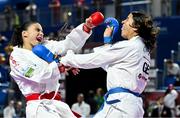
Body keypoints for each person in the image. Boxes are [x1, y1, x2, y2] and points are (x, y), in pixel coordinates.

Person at [60, 11, 160, 117]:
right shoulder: (142, 49)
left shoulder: (131, 46)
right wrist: (107, 42)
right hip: (129, 105)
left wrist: (67, 58)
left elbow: (95, 59)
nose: (123, 21)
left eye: (127, 19)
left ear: (135, 27)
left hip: (120, 106)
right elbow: (112, 67)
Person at [9, 12, 104, 118]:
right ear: (24, 34)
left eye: (42, 31)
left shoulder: (46, 46)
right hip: (38, 106)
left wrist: (86, 28)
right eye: (37, 30)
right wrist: (60, 66)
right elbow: (37, 75)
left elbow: (67, 45)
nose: (41, 33)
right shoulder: (16, 56)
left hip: (56, 104)